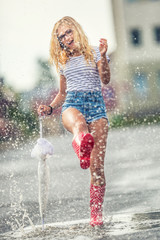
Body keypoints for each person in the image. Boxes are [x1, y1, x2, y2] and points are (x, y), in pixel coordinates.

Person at [38, 16, 110, 227]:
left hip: (96, 107)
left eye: (69, 32)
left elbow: (105, 79)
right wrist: (50, 107)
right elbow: (62, 93)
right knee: (79, 126)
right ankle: (81, 146)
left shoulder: (96, 52)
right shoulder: (63, 61)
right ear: (59, 41)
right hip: (73, 104)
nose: (67, 37)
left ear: (77, 30)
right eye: (62, 36)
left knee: (97, 169)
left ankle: (96, 215)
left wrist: (104, 57)